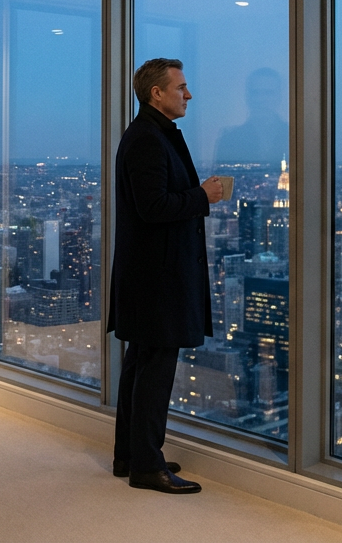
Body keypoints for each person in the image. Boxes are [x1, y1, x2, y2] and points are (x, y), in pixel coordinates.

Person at [107, 58, 224, 494]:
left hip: (150, 275)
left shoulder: (151, 134)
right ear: (156, 93)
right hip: (158, 280)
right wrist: (202, 195)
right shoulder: (147, 140)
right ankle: (146, 467)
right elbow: (153, 208)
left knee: (141, 367)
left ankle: (132, 456)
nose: (188, 95)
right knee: (154, 372)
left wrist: (195, 195)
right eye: (181, 87)